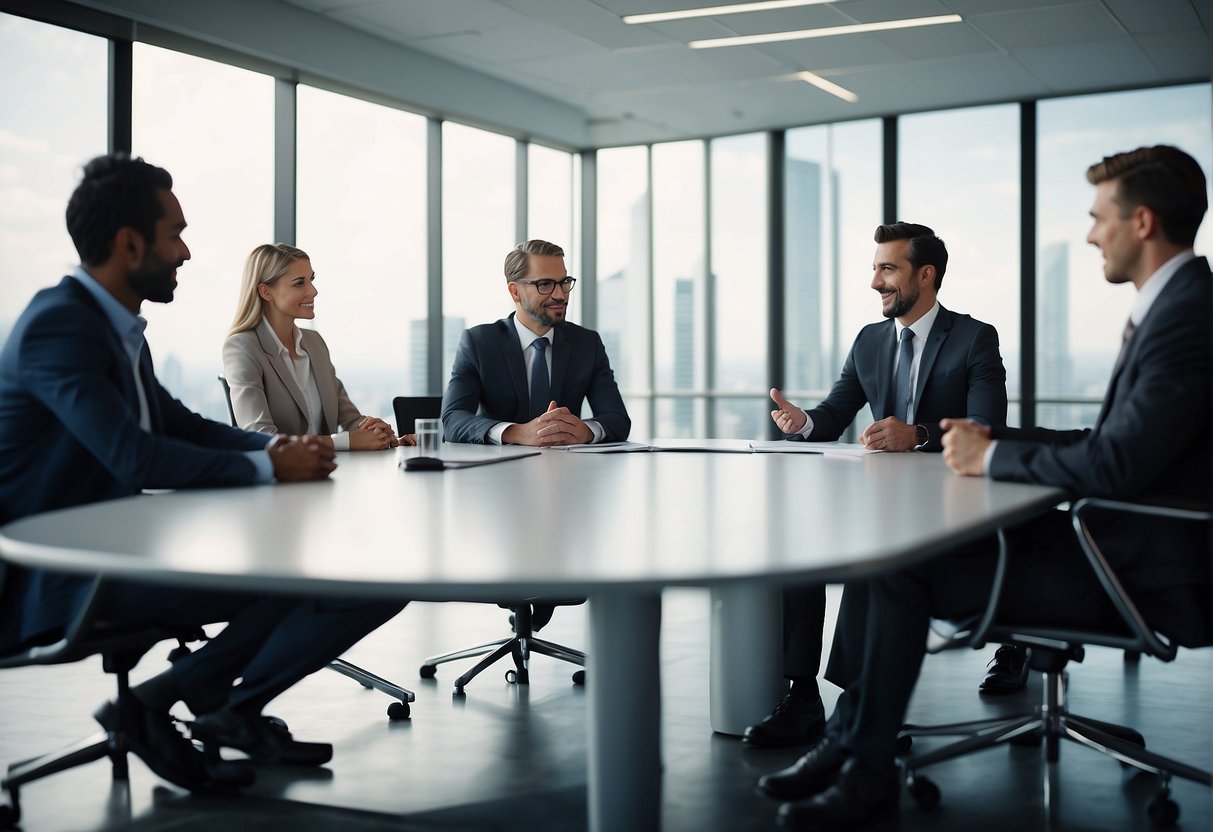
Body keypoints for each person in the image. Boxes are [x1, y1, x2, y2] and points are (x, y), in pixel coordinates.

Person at [761, 144, 1211, 830]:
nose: (1091, 233)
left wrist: (986, 450)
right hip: (1123, 542)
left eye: (1099, 217)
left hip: (1138, 570)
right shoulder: (1177, 304)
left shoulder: (1182, 314)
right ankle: (854, 746)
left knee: (895, 567)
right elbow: (1112, 443)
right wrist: (996, 448)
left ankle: (864, 764)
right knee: (890, 558)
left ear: (1141, 222)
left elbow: (1116, 465)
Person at [0, 154, 404, 792]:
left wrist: (278, 454)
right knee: (334, 574)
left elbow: (177, 425)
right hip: (56, 577)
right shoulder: (60, 327)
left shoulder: (115, 329)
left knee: (346, 568)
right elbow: (134, 455)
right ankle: (196, 705)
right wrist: (272, 464)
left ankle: (200, 704)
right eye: (175, 234)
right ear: (130, 243)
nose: (186, 252)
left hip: (116, 550)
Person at [745, 222, 1009, 749]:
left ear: (926, 275)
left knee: (873, 551)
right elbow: (836, 410)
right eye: (874, 269)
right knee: (800, 547)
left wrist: (918, 435)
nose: (875, 282)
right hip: (882, 494)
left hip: (947, 498)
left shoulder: (974, 337)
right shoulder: (869, 340)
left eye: (887, 269)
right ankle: (801, 696)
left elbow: (987, 426)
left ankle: (860, 704)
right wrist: (805, 424)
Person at [441, 239, 630, 447]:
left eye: (564, 282)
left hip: (570, 471)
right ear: (515, 292)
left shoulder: (586, 344)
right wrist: (516, 433)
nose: (560, 295)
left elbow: (617, 418)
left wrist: (585, 431)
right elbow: (452, 419)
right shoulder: (479, 343)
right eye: (545, 284)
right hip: (499, 472)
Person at [223, 243, 412, 449]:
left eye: (311, 280)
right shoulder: (242, 347)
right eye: (299, 283)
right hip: (283, 479)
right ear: (266, 292)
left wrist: (375, 431)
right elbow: (261, 438)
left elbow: (349, 419)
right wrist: (345, 441)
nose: (313, 291)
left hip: (327, 474)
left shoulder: (314, 343)